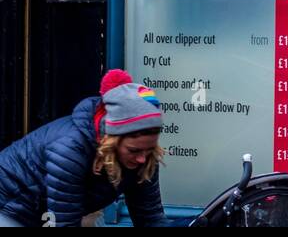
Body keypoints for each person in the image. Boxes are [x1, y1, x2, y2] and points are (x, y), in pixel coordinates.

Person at [0, 69, 167, 227]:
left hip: (40, 213)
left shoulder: (144, 156)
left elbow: (150, 217)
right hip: (8, 206)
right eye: (134, 150)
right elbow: (64, 223)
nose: (142, 158)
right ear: (111, 140)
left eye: (149, 149)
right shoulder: (70, 150)